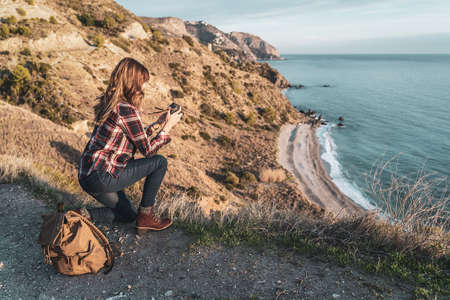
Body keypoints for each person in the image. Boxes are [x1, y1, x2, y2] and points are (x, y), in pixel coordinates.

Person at [77, 57, 182, 234]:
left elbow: (134, 138)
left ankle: (80, 215)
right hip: (103, 175)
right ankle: (146, 216)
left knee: (127, 215)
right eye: (143, 82)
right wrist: (168, 128)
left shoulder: (111, 103)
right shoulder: (126, 109)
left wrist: (157, 124)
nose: (145, 87)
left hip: (88, 175)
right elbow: (147, 151)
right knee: (159, 162)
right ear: (133, 83)